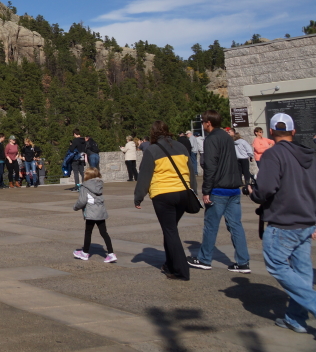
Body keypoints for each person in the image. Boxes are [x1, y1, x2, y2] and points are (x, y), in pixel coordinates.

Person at [247, 113, 316, 335]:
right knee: (303, 271)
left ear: (271, 132)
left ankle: (311, 305)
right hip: (306, 221)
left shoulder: (272, 155)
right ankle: (295, 319)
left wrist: (253, 193)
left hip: (283, 222)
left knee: (277, 264)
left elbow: (266, 188)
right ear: (294, 132)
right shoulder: (310, 154)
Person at [185, 111, 250, 273]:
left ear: (208, 123)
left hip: (219, 189)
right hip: (233, 188)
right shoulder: (228, 138)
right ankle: (243, 262)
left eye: (203, 122)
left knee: (211, 226)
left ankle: (204, 259)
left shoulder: (211, 139)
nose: (203, 124)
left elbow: (210, 166)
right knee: (236, 226)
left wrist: (206, 190)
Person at [134, 121, 196, 281]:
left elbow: (144, 175)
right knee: (170, 229)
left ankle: (182, 270)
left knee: (170, 231)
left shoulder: (152, 150)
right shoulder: (181, 147)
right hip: (183, 193)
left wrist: (138, 196)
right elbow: (191, 171)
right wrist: (192, 191)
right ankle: (169, 264)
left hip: (163, 195)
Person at [73, 167, 116, 262]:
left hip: (91, 212)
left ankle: (84, 253)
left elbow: (82, 201)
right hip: (100, 211)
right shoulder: (99, 184)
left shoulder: (85, 186)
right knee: (104, 232)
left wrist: (75, 207)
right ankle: (111, 253)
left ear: (88, 176)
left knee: (88, 232)